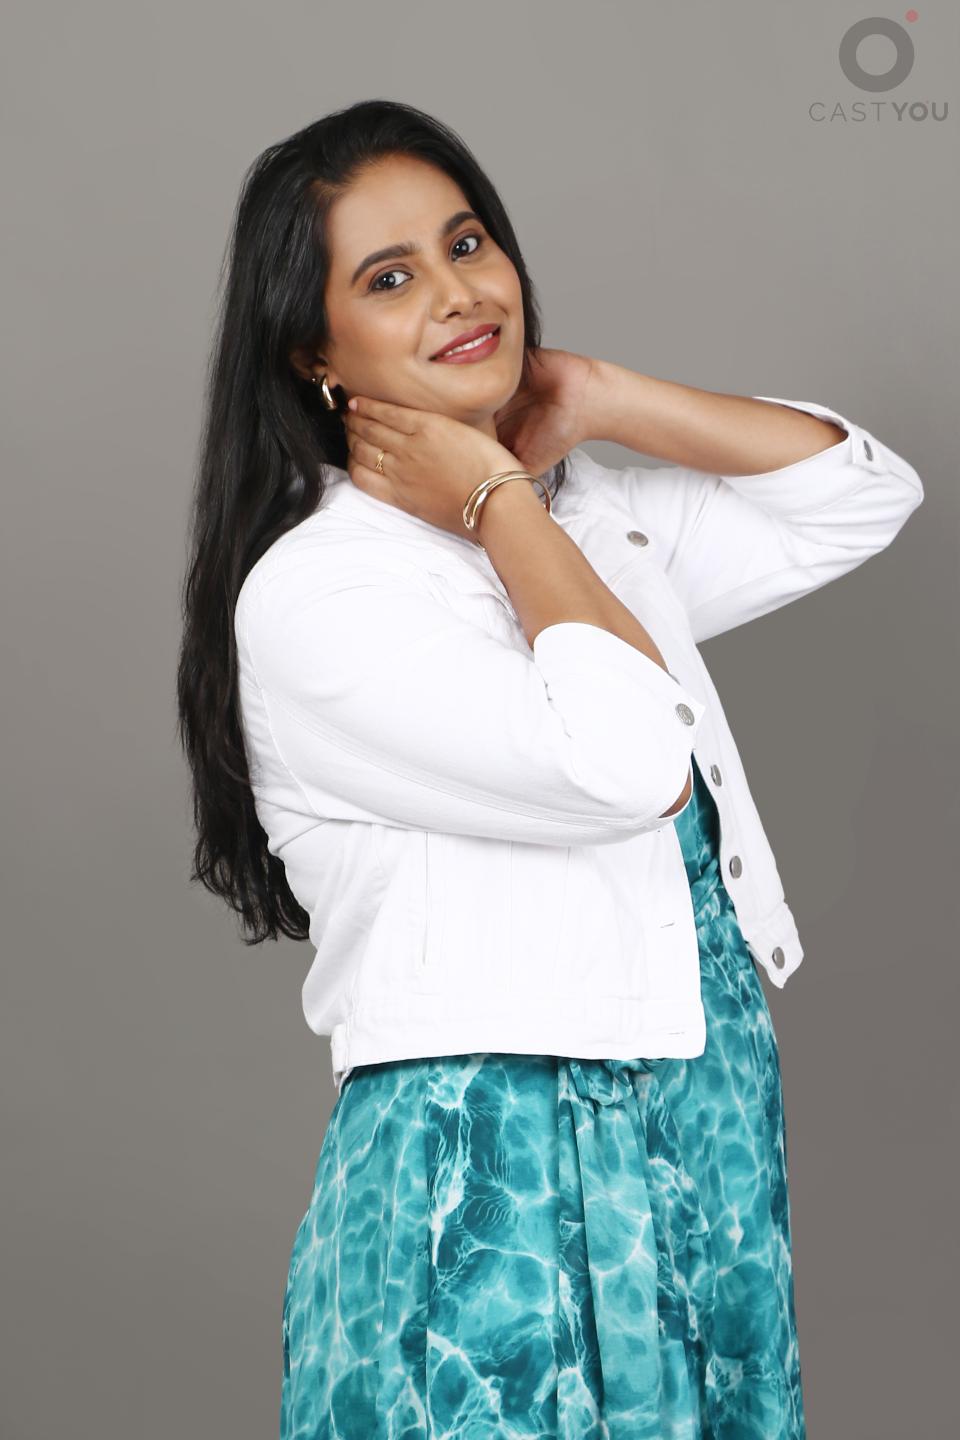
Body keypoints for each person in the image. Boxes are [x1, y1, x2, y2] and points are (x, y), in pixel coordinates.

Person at [176, 99, 923, 1439]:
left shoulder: (590, 528)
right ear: (312, 351)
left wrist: (602, 400)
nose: (458, 292)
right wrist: (494, 499)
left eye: (468, 244)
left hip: (699, 1132)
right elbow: (630, 763)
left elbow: (861, 496)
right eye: (389, 277)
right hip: (489, 1174)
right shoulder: (323, 594)